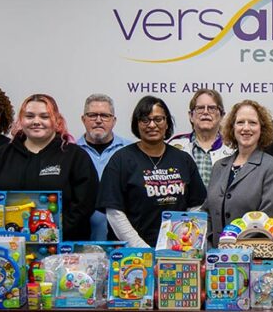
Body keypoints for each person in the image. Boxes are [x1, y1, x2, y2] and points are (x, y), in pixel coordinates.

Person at [0, 94, 99, 241]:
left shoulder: (76, 156)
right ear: (21, 120)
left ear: (56, 120)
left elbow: (84, 204)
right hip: (8, 244)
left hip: (64, 248)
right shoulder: (0, 156)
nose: (36, 121)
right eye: (29, 116)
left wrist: (53, 234)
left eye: (44, 116)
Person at [98, 96, 207, 247]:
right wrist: (141, 247)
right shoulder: (121, 160)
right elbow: (114, 212)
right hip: (133, 252)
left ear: (167, 122)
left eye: (158, 119)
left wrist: (183, 241)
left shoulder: (183, 159)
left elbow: (196, 205)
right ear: (137, 124)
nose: (152, 125)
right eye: (145, 120)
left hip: (177, 250)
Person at [204, 100, 273, 246]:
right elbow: (208, 212)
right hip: (214, 255)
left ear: (262, 129)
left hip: (251, 256)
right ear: (232, 127)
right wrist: (209, 246)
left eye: (252, 123)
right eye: (240, 122)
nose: (246, 128)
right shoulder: (219, 166)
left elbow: (267, 218)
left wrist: (234, 248)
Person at [77, 93, 131, 241]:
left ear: (114, 120)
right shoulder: (71, 153)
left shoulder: (130, 151)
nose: (99, 120)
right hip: (82, 239)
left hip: (124, 240)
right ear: (83, 119)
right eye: (93, 115)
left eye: (105, 116)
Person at [169, 89, 235, 188]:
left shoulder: (233, 149)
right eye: (200, 108)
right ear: (191, 116)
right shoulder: (174, 146)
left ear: (222, 116)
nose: (205, 112)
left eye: (212, 108)